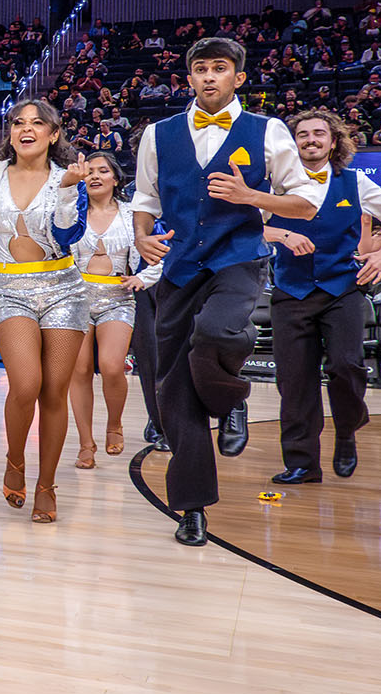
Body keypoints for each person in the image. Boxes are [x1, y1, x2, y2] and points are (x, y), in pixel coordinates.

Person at [134, 38, 325, 547]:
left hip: (238, 257)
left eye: (220, 68)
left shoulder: (268, 131)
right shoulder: (158, 133)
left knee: (218, 330)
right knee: (173, 389)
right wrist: (141, 234)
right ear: (189, 78)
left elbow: (305, 203)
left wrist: (251, 198)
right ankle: (191, 507)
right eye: (200, 69)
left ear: (239, 77)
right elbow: (146, 198)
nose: (210, 76)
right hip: (177, 266)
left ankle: (232, 396)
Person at [0, 101, 90, 525]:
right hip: (9, 288)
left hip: (64, 288)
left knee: (54, 392)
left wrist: (69, 189)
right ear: (9, 132)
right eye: (18, 123)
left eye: (37, 123)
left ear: (53, 134)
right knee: (27, 383)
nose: (25, 129)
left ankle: (46, 485)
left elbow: (71, 235)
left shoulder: (67, 178)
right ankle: (15, 460)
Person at [262, 109, 381, 483]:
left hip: (340, 289)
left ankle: (346, 429)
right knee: (294, 381)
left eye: (318, 134)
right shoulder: (272, 186)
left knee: (346, 366)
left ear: (333, 141)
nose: (310, 140)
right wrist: (280, 235)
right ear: (291, 143)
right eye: (302, 134)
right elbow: (246, 228)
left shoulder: (355, 182)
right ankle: (302, 463)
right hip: (290, 291)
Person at [68, 153, 154, 467]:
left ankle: (114, 422)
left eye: (102, 171)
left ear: (115, 179)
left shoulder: (132, 214)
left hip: (117, 297)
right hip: (75, 297)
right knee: (78, 371)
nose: (94, 176)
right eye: (88, 171)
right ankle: (85, 443)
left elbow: (156, 254)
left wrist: (142, 277)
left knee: (111, 365)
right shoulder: (72, 212)